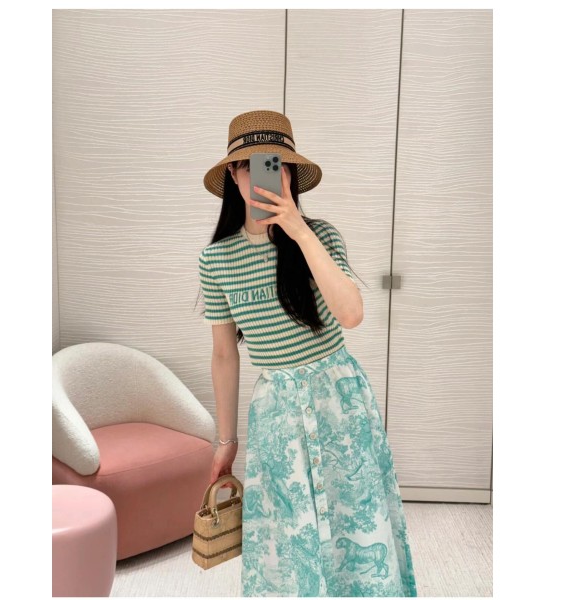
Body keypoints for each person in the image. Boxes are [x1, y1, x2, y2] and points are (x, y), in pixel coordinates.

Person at [198, 110, 417, 597]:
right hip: (276, 410)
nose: (261, 176)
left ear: (290, 173)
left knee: (355, 515)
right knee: (288, 533)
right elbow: (224, 355)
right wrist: (226, 440)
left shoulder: (321, 237)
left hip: (339, 399)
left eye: (273, 164)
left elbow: (352, 313)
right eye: (249, 166)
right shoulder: (216, 260)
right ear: (232, 174)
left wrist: (298, 230)